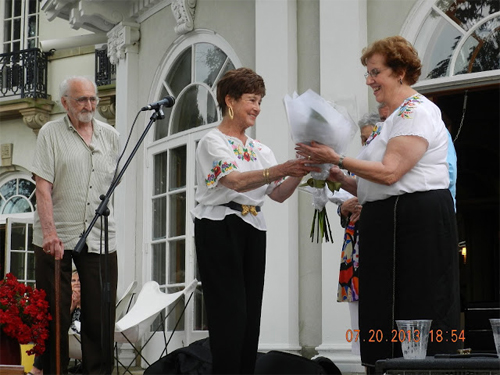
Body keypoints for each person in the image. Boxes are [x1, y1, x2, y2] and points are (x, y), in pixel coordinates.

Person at [296, 36, 460, 372]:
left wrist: (337, 156)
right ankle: (385, 366)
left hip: (416, 223)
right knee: (382, 314)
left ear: (399, 72)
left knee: (417, 307)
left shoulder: (416, 112)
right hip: (389, 222)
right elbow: (374, 186)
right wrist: (338, 175)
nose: (369, 80)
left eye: (375, 72)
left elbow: (389, 173)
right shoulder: (394, 120)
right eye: (367, 74)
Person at [191, 67, 318, 374]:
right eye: (251, 99)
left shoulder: (261, 149)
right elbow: (233, 182)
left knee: (250, 315)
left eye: (260, 100)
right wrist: (281, 168)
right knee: (229, 314)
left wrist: (302, 171)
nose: (257, 108)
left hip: (253, 227)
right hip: (220, 226)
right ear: (229, 101)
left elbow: (278, 195)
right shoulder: (212, 141)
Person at [32, 76, 119, 374]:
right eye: (82, 99)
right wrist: (49, 233)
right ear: (65, 102)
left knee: (100, 316)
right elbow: (42, 186)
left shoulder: (111, 136)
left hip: (99, 236)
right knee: (55, 315)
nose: (89, 105)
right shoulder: (50, 133)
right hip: (56, 237)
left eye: (92, 98)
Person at [29, 270, 82, 375]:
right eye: (73, 280)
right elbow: (63, 321)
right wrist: (71, 306)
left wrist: (80, 303)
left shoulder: (90, 302)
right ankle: (39, 369)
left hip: (80, 340)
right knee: (49, 332)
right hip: (66, 337)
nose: (76, 283)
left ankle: (38, 371)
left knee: (53, 335)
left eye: (79, 280)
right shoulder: (66, 302)